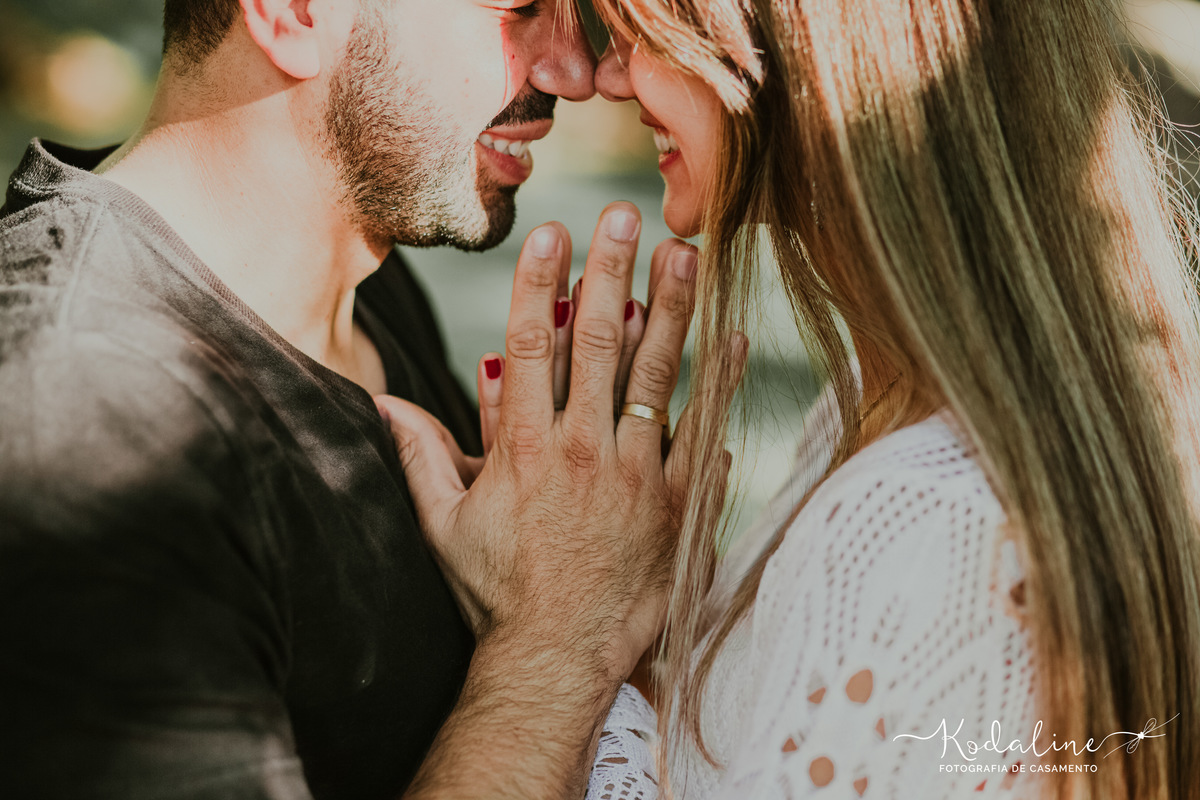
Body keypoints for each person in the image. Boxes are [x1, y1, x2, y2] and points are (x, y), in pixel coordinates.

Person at [0, 0, 715, 797]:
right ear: (292, 12)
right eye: (518, 9)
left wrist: (582, 527)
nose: (574, 73)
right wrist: (559, 638)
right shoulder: (82, 424)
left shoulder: (358, 279)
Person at [494, 0, 1198, 797]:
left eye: (641, 33)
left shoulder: (925, 516)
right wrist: (598, 574)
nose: (608, 77)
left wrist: (551, 637)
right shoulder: (869, 407)